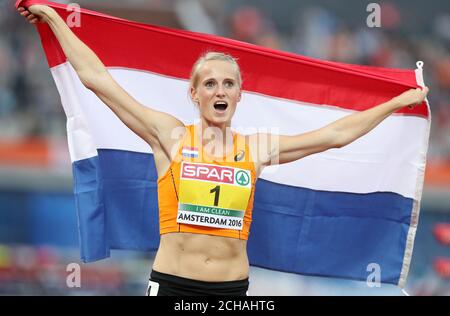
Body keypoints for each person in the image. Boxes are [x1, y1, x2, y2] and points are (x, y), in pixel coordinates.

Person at [18, 4, 429, 296]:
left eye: (228, 84)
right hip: (173, 285)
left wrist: (395, 103)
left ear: (238, 96)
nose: (220, 90)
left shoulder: (256, 149)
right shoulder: (170, 136)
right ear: (194, 94)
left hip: (234, 288)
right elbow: (96, 79)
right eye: (210, 83)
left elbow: (335, 134)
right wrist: (55, 17)